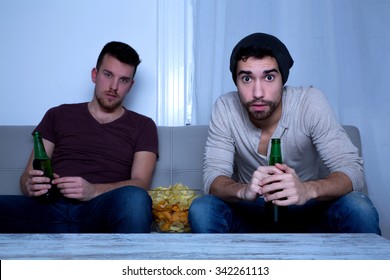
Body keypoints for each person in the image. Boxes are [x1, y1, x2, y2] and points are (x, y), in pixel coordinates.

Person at [188, 32, 381, 234]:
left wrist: (307, 190)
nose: (258, 93)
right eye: (246, 78)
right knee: (203, 208)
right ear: (236, 82)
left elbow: (352, 170)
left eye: (269, 77)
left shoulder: (309, 101)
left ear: (283, 80)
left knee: (359, 207)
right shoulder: (226, 107)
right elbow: (213, 178)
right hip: (252, 210)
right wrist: (243, 190)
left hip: (306, 207)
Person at [0, 41, 158, 233]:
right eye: (108, 75)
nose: (113, 86)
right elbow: (27, 176)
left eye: (123, 80)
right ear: (94, 74)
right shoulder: (57, 114)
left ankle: (127, 264)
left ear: (130, 86)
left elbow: (141, 184)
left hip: (100, 211)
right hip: (49, 209)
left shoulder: (143, 125)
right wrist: (30, 185)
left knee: (135, 200)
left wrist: (93, 191)